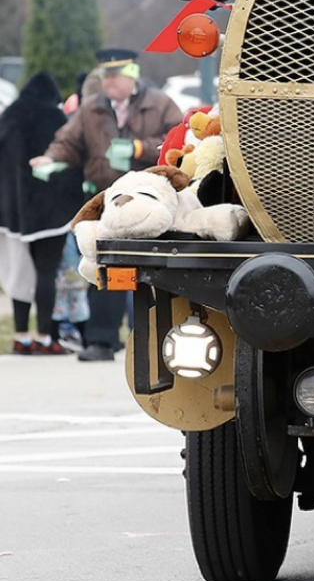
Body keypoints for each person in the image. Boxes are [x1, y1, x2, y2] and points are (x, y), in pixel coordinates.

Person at [30, 48, 183, 360]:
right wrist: (50, 156)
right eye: (105, 76)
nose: (108, 82)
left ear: (131, 76)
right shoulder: (92, 107)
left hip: (149, 197)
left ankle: (158, 340)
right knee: (106, 266)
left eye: (114, 76)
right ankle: (101, 340)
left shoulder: (160, 103)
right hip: (107, 198)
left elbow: (179, 141)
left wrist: (141, 148)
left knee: (157, 269)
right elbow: (68, 140)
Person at [0, 72, 86, 354]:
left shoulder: (9, 116)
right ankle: (45, 337)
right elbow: (73, 160)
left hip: (12, 211)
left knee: (18, 273)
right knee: (46, 273)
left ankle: (21, 337)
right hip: (51, 212)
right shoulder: (56, 118)